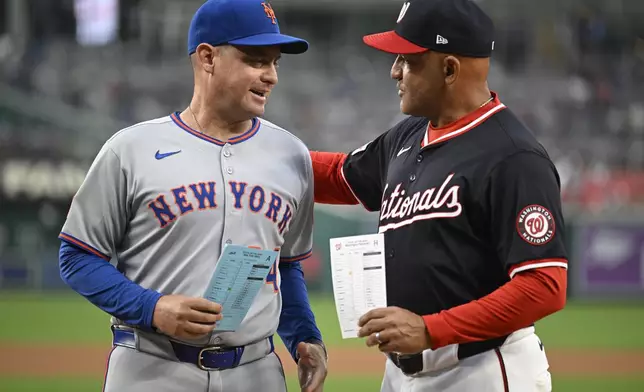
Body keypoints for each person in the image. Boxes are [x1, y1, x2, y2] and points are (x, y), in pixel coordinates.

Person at [58, 1, 327, 391]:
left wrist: (306, 337)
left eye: (275, 63)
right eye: (256, 60)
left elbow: (285, 266)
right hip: (150, 367)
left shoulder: (292, 155)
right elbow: (77, 256)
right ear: (207, 57)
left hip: (256, 372)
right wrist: (152, 308)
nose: (271, 76)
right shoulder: (130, 149)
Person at [310, 0, 567, 391]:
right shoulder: (409, 134)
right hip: (401, 372)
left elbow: (544, 284)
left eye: (408, 59)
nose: (394, 70)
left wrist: (431, 329)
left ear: (449, 68)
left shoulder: (513, 156)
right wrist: (258, 149)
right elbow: (338, 176)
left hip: (481, 369)